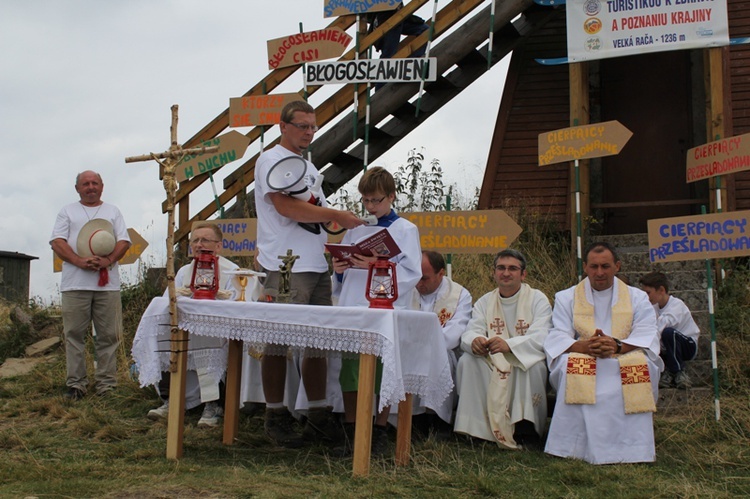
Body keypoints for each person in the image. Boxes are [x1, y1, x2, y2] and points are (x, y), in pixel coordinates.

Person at [254, 100, 364, 448]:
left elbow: (314, 211)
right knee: (279, 340)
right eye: (301, 126)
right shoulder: (270, 159)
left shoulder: (308, 165)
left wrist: (332, 220)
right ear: (282, 126)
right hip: (286, 264)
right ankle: (274, 417)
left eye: (313, 127)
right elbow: (285, 206)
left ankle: (317, 417)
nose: (308, 132)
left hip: (315, 263)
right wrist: (336, 215)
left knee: (317, 340)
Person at [544, 242, 663, 464]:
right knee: (569, 366)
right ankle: (574, 446)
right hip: (582, 354)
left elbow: (647, 333)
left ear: (617, 266)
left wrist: (617, 346)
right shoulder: (566, 297)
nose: (600, 273)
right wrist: (585, 347)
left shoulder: (636, 297)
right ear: (585, 267)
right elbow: (558, 335)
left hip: (623, 354)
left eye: (605, 266)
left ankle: (633, 448)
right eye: (594, 266)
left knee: (643, 366)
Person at [331, 166, 422, 456]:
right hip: (353, 305)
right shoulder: (356, 228)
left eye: (376, 200)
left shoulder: (405, 229)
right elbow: (342, 271)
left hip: (385, 307)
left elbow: (411, 272)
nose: (371, 206)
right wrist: (340, 269)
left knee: (383, 371)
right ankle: (351, 428)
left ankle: (379, 430)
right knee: (350, 369)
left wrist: (374, 265)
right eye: (366, 201)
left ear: (392, 196)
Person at [146, 222, 244, 427]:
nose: (199, 245)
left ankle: (213, 404)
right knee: (161, 333)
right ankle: (171, 399)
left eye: (205, 240)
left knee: (206, 337)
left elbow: (236, 306)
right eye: (195, 241)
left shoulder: (232, 272)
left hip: (218, 331)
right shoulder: (183, 271)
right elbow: (166, 302)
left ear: (218, 246)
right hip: (184, 330)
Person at [453, 249, 552, 449]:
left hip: (522, 357)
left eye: (512, 268)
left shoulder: (537, 299)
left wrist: (510, 346)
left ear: (523, 274)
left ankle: (525, 429)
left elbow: (542, 335)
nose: (506, 273)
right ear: (494, 272)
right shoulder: (485, 301)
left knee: (529, 365)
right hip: (493, 360)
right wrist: (476, 342)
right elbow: (471, 330)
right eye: (501, 268)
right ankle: (478, 430)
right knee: (467, 361)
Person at [50, 170, 131, 399]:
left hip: (107, 286)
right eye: (85, 183)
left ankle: (107, 385)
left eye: (95, 183)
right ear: (77, 188)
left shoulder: (112, 211)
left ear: (102, 186)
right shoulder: (67, 211)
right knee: (74, 335)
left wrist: (107, 260)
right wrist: (79, 261)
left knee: (109, 335)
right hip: (75, 285)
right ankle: (76, 385)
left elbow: (124, 241)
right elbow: (57, 241)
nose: (91, 187)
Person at [409, 250, 472, 436]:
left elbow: (456, 330)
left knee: (436, 357)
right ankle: (411, 419)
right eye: (417, 277)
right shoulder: (407, 289)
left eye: (425, 278)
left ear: (441, 273)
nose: (419, 283)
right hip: (410, 348)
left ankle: (436, 418)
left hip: (444, 350)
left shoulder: (460, 295)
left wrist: (428, 346)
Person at [639, 271, 700, 389]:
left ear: (661, 290)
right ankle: (667, 371)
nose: (646, 297)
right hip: (668, 348)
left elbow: (661, 326)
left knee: (668, 332)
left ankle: (678, 371)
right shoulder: (653, 307)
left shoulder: (677, 305)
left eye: (648, 293)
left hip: (687, 346)